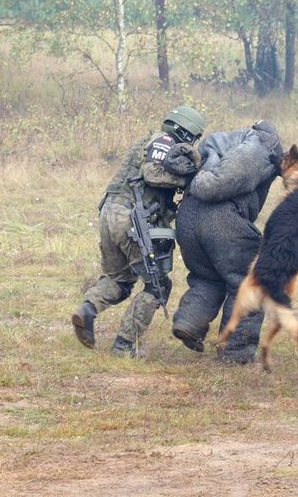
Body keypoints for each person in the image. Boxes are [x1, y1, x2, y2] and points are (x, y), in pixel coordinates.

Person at [71, 105, 205, 356]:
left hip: (110, 212)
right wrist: (187, 181)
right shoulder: (165, 141)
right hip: (133, 219)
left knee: (119, 279)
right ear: (186, 133)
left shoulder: (147, 139)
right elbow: (153, 174)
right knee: (158, 286)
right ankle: (124, 344)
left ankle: (87, 310)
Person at [170, 120, 283, 364]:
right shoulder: (263, 145)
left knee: (207, 277)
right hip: (220, 219)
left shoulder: (221, 139)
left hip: (187, 218)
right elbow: (215, 185)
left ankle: (189, 322)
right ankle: (236, 353)